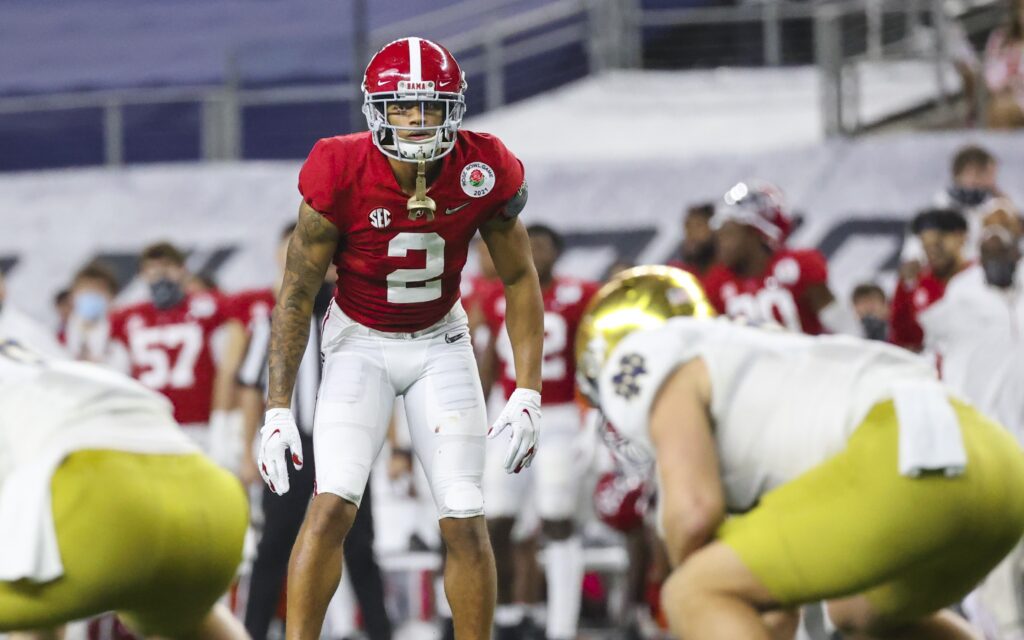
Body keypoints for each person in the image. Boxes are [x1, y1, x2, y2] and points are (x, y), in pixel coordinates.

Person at [258, 37, 544, 640]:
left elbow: (519, 278)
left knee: (464, 514)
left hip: (441, 340)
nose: (416, 122)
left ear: (453, 109)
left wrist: (528, 390)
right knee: (332, 502)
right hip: (358, 340)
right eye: (402, 108)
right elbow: (295, 292)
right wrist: (277, 408)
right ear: (376, 110)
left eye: (430, 108)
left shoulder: (482, 167)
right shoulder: (338, 168)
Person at [575, 265, 1024, 640]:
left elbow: (694, 511)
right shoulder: (751, 347)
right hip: (997, 467)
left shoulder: (653, 356)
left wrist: (692, 574)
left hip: (901, 453)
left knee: (691, 591)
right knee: (856, 610)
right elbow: (776, 598)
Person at [0, 335, 248, 639]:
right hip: (213, 502)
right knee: (188, 620)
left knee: (27, 574)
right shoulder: (38, 362)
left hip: (104, 496)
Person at [238, 224, 392, 640]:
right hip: (291, 441)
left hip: (347, 438)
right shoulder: (273, 316)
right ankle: (252, 632)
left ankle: (379, 632)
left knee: (359, 547)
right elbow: (252, 385)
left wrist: (391, 444)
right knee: (273, 545)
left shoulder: (358, 310)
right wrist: (246, 447)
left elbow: (385, 378)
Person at [480, 223, 600, 640]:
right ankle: (506, 615)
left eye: (545, 245)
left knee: (556, 518)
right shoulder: (497, 293)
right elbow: (489, 361)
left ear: (559, 252)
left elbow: (594, 357)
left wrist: (595, 420)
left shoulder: (579, 295)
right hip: (511, 415)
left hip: (561, 416)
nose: (537, 252)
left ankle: (560, 626)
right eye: (532, 244)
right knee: (495, 518)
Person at [916, 204, 1024, 640]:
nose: (996, 242)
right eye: (988, 237)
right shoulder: (960, 291)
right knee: (997, 562)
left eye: (1005, 234)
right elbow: (924, 339)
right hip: (987, 443)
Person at [108, 241, 247, 471]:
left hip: (200, 427)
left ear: (183, 270)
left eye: (168, 267)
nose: (161, 275)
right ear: (142, 274)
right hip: (150, 427)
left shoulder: (208, 307)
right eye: (153, 269)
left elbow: (236, 344)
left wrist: (226, 420)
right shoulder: (127, 317)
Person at [701, 181, 854, 335]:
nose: (720, 244)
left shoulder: (799, 265)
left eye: (728, 234)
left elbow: (846, 329)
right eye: (718, 236)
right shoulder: (717, 281)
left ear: (753, 232)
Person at [889, 208, 969, 353]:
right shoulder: (917, 284)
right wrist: (904, 288)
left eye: (940, 239)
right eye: (926, 242)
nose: (932, 249)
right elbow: (905, 339)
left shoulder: (982, 277)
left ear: (961, 237)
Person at [62, 261, 122, 366]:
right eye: (85, 289)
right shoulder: (59, 338)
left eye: (98, 290)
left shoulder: (121, 336)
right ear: (72, 296)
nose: (91, 294)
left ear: (112, 298)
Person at [983, 0, 1024, 128]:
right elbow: (991, 76)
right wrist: (1009, 83)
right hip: (1007, 98)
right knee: (1000, 108)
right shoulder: (1000, 39)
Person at [669, 202, 716, 278]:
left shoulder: (731, 273)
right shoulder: (677, 275)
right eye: (687, 227)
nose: (691, 234)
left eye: (698, 226)